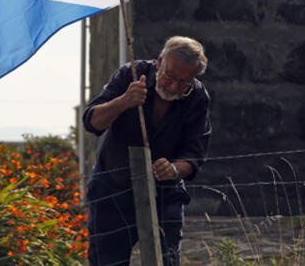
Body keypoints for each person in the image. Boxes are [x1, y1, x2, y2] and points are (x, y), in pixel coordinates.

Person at [84, 36, 211, 266]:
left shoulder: (197, 97)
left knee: (167, 262)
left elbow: (194, 155)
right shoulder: (130, 74)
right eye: (170, 77)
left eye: (184, 82)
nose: (173, 86)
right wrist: (124, 101)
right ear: (160, 61)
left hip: (166, 195)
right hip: (112, 189)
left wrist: (173, 169)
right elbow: (92, 122)